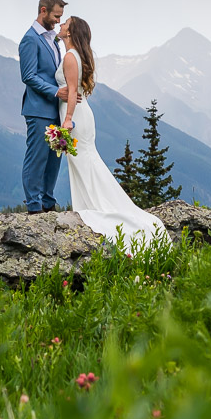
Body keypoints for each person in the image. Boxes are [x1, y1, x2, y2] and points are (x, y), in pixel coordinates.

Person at [56, 16, 168, 252]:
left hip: (75, 117)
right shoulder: (74, 55)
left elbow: (73, 91)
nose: (61, 25)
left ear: (71, 32)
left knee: (85, 162)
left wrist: (67, 120)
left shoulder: (70, 57)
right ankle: (90, 206)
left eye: (65, 23)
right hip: (79, 115)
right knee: (84, 162)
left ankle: (99, 209)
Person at [18, 0, 68, 213]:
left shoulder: (53, 40)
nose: (58, 21)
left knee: (54, 159)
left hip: (56, 110)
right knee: (37, 158)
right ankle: (34, 204)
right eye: (56, 16)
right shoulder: (30, 39)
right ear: (43, 11)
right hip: (38, 110)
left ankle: (48, 202)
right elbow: (28, 76)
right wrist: (56, 92)